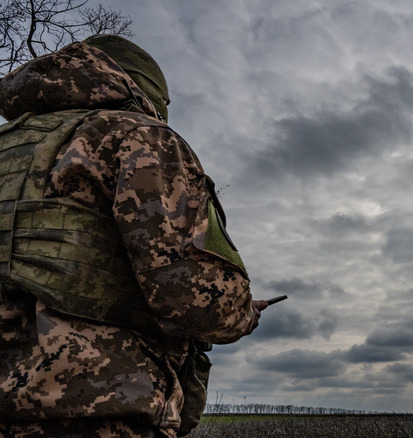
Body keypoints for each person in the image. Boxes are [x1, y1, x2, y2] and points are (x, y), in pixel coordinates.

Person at [0, 35, 267, 437]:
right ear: (143, 89)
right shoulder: (136, 137)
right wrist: (244, 314)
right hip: (98, 409)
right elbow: (194, 300)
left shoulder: (7, 148)